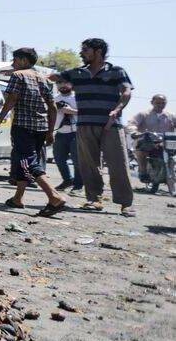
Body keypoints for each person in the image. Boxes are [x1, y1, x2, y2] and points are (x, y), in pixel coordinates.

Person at [49, 38, 134, 215]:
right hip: (85, 124)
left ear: (98, 51)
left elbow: (126, 92)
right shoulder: (77, 73)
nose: (81, 53)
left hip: (111, 125)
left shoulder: (116, 71)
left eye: (86, 50)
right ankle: (94, 199)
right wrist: (27, 72)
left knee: (118, 164)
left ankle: (126, 203)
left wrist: (117, 109)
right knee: (88, 165)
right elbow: (54, 77)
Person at [0, 48, 67, 216]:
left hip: (22, 127)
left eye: (15, 60)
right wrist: (50, 131)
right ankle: (18, 198)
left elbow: (11, 100)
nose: (13, 64)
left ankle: (54, 197)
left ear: (24, 60)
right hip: (40, 128)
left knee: (28, 163)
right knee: (22, 162)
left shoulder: (18, 76)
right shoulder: (44, 79)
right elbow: (52, 107)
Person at [128, 94, 176, 188]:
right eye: (158, 103)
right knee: (142, 150)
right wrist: (134, 132)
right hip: (147, 141)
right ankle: (143, 172)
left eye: (163, 103)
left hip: (165, 143)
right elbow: (132, 123)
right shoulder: (143, 114)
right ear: (152, 103)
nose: (160, 105)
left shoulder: (171, 116)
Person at [52, 80, 83, 196]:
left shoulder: (78, 97)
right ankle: (67, 180)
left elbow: (86, 112)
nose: (63, 85)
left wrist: (70, 111)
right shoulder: (55, 98)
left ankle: (78, 185)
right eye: (59, 83)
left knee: (77, 160)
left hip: (76, 132)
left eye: (66, 83)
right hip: (60, 132)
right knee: (59, 158)